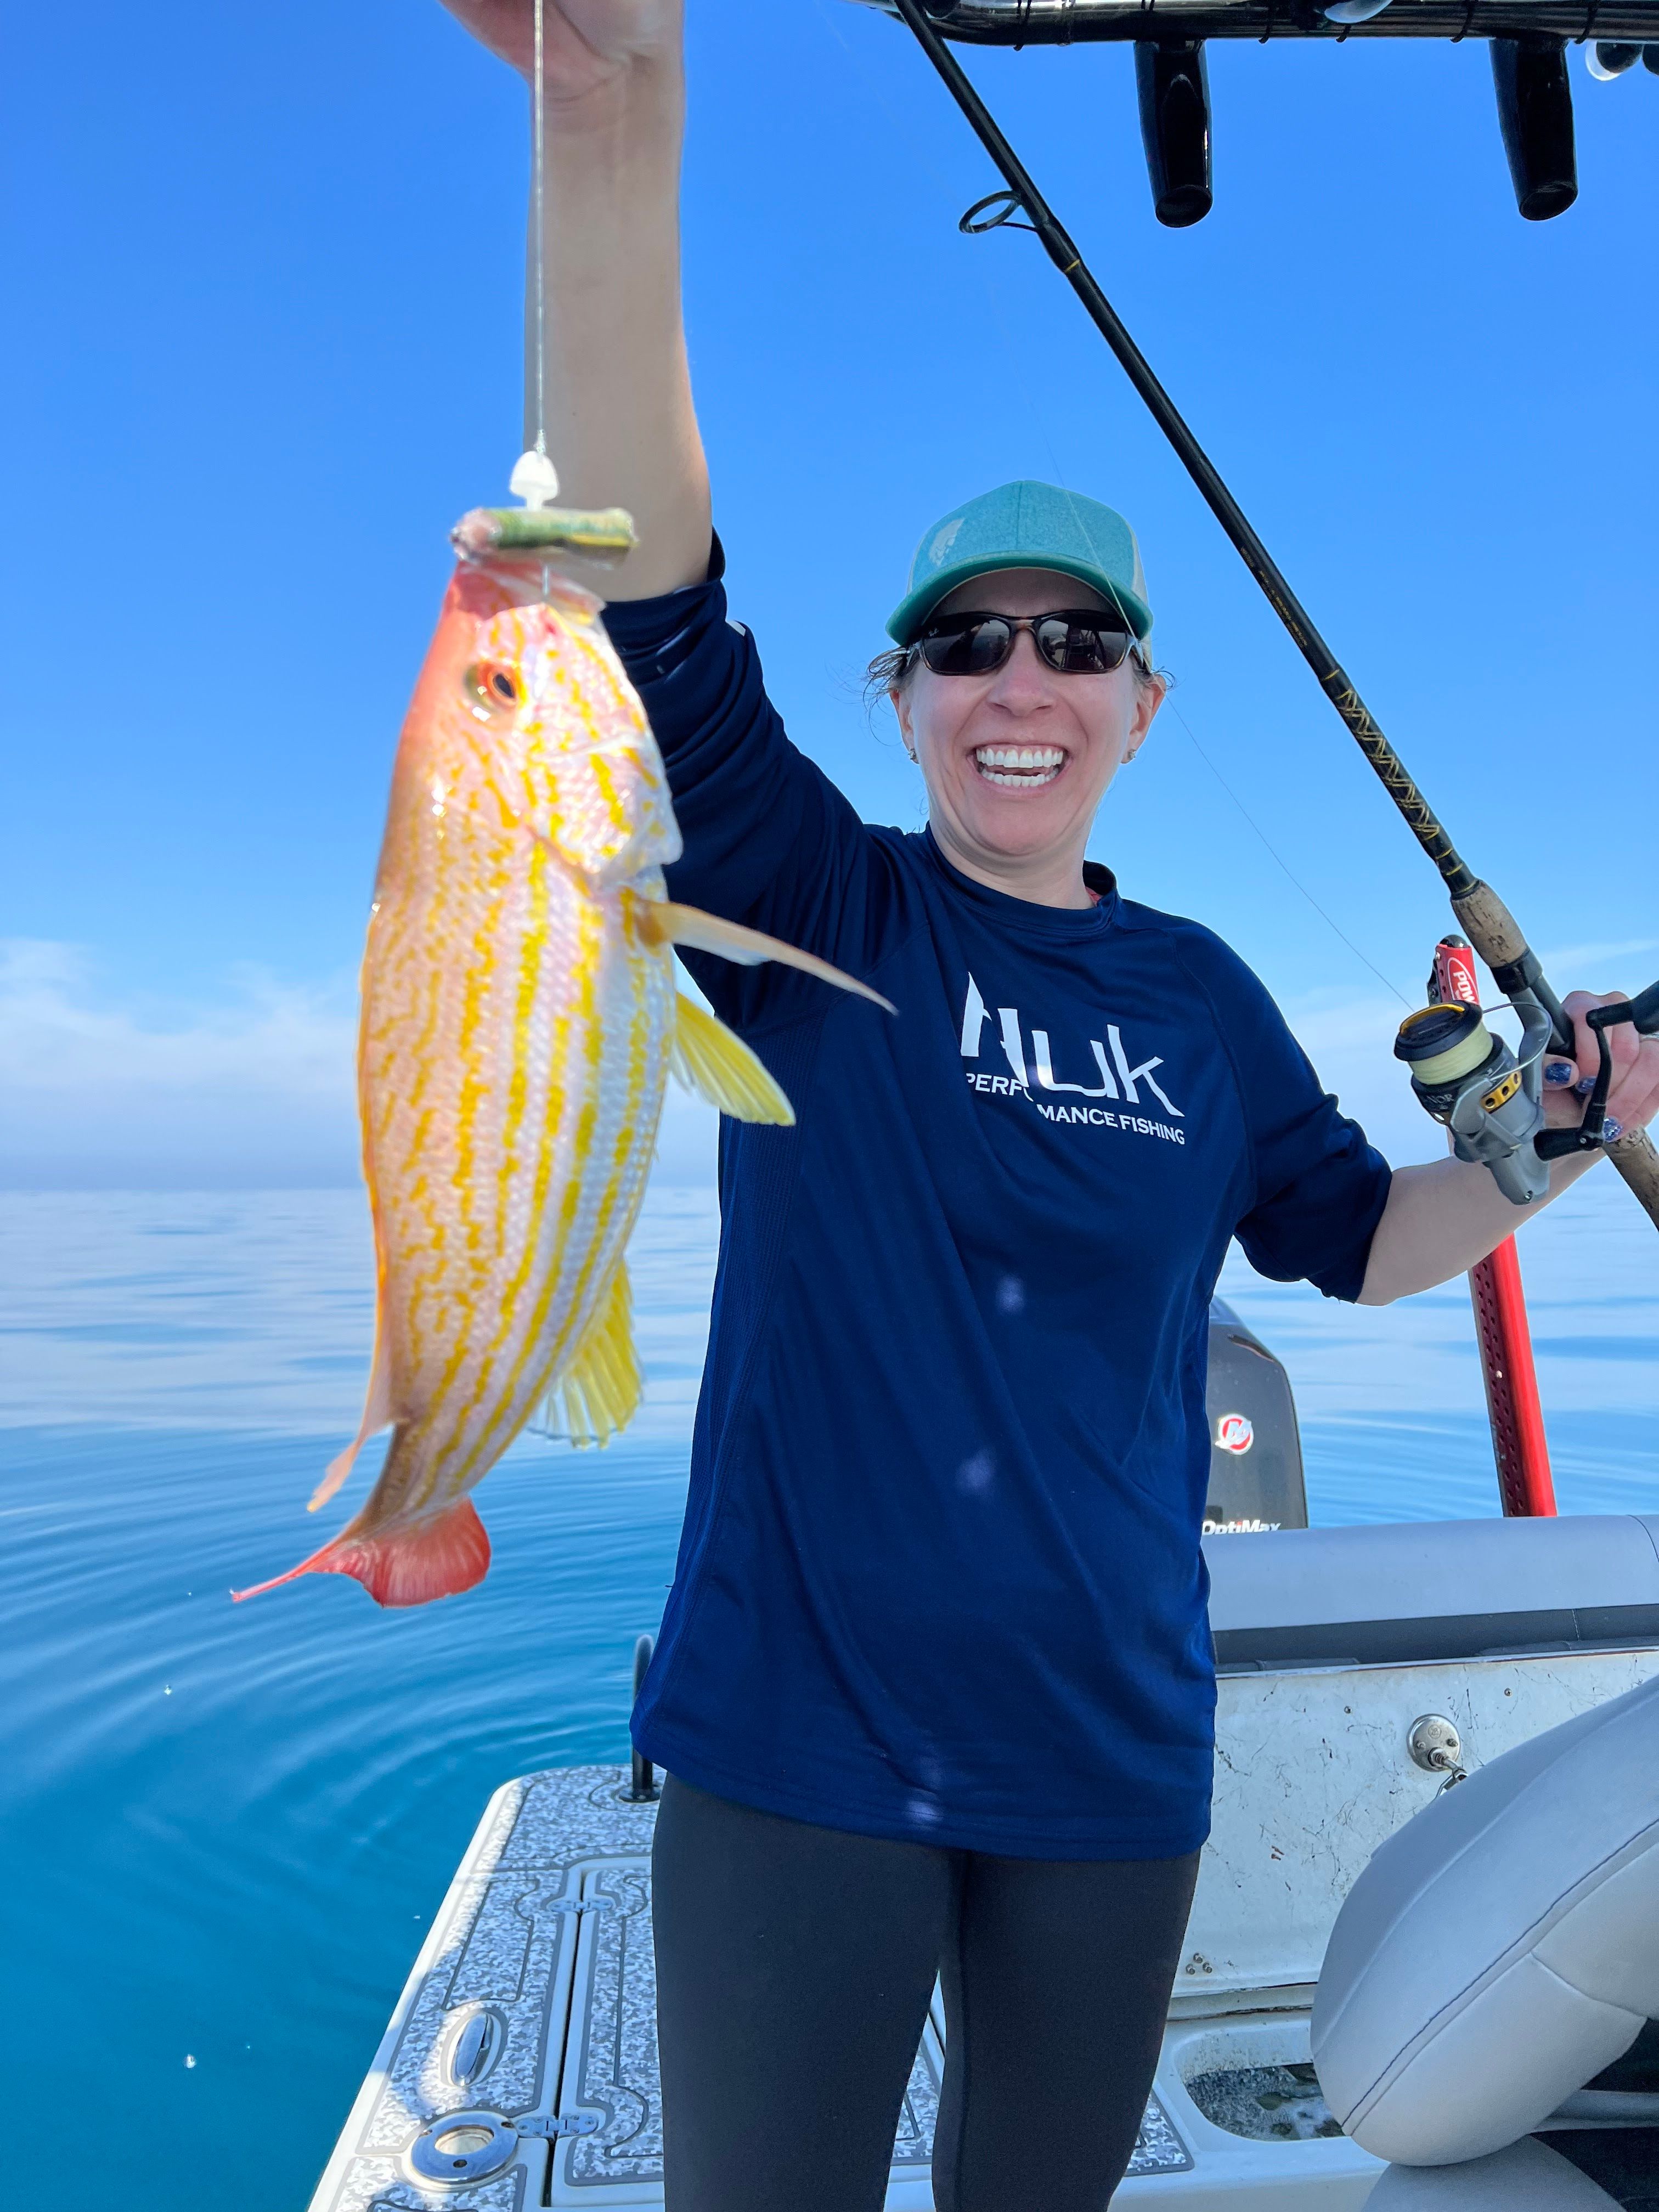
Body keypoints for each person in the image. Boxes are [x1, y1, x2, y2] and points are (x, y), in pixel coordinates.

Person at [441, 7, 1659, 2208]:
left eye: (1075, 643)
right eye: (969, 643)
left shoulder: (1192, 992)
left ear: (1143, 701)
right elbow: (646, 572)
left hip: (1112, 1763)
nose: (1023, 680)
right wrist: (609, 113)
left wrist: (1549, 1154)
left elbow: (1346, 1237)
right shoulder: (811, 896)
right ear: (899, 697)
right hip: (798, 1756)